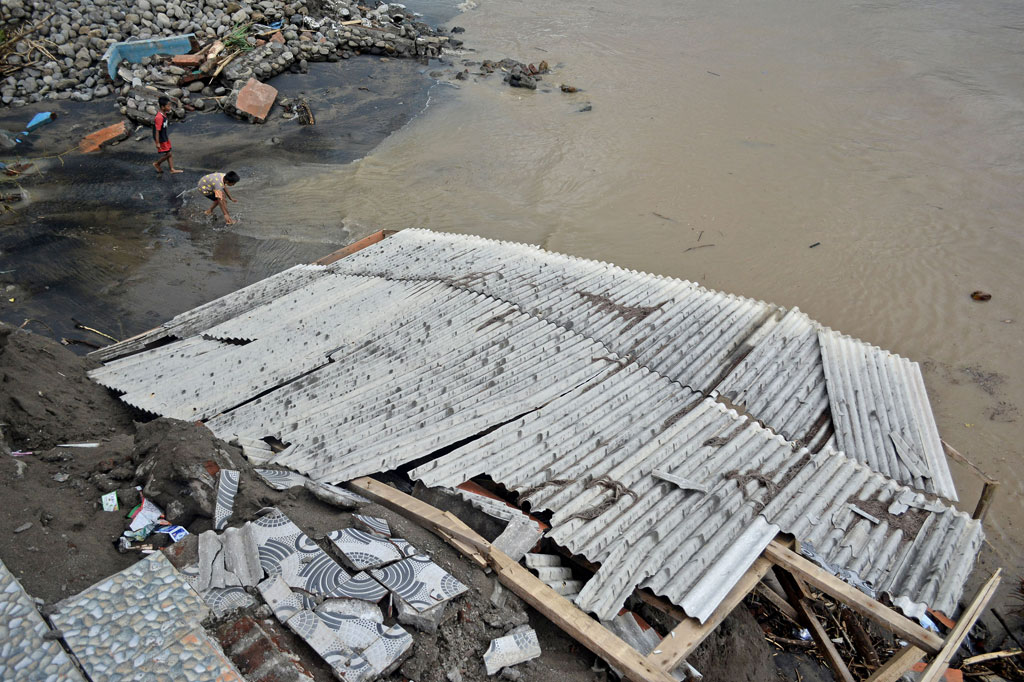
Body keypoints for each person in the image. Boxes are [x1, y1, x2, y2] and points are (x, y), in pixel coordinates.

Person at [152, 96, 182, 174]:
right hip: (161, 138)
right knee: (169, 153)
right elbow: (157, 131)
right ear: (162, 107)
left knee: (169, 152)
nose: (170, 107)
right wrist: (157, 142)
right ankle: (157, 163)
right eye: (168, 106)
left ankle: (172, 169)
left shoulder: (164, 114)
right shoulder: (159, 117)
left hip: (164, 136)